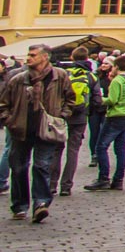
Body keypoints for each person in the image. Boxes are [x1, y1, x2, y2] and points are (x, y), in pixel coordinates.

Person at [1, 43, 73, 222]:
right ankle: (20, 205)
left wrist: (62, 116)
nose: (29, 58)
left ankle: (41, 203)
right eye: (29, 54)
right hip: (21, 129)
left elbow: (70, 99)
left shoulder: (59, 76)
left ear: (45, 57)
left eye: (33, 55)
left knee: (41, 166)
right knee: (18, 168)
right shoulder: (18, 78)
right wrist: (10, 121)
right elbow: (4, 103)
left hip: (47, 129)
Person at [85, 56, 125, 191]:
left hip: (115, 116)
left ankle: (103, 178)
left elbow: (113, 100)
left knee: (101, 147)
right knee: (120, 149)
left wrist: (100, 99)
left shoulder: (117, 81)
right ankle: (118, 180)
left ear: (117, 67)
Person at [58, 50, 97, 197]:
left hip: (62, 115)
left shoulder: (64, 73)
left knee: (56, 150)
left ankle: (51, 185)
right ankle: (66, 186)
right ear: (87, 58)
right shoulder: (91, 76)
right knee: (73, 151)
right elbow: (97, 100)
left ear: (72, 57)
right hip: (80, 116)